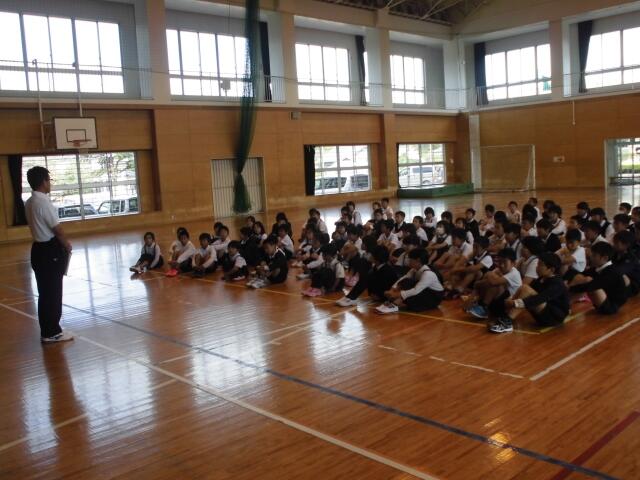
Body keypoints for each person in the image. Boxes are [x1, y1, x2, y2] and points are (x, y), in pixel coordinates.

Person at [24, 166, 73, 343]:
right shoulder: (43, 202)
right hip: (49, 250)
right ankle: (52, 332)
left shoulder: (29, 202)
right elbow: (57, 229)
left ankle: (48, 330)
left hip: (38, 249)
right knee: (53, 292)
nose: (50, 184)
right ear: (44, 182)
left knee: (45, 292)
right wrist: (66, 244)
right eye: (49, 180)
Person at [489, 252, 570, 334]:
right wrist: (511, 300)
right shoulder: (541, 279)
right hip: (543, 313)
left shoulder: (557, 283)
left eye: (540, 265)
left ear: (551, 269)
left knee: (526, 290)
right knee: (524, 288)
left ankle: (507, 322)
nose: (537, 267)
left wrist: (515, 303)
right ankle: (505, 317)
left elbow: (540, 299)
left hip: (555, 317)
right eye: (537, 264)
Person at [376, 249, 444, 314]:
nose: (408, 261)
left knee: (409, 286)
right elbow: (403, 278)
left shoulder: (428, 274)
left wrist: (397, 294)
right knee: (406, 281)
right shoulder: (414, 270)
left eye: (410, 259)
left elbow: (416, 290)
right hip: (425, 292)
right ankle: (393, 303)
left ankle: (395, 304)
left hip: (434, 297)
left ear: (418, 260)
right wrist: (392, 289)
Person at [569, 242, 627, 315]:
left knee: (589, 282)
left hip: (612, 306)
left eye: (594, 255)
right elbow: (580, 275)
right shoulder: (597, 268)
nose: (591, 258)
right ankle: (566, 302)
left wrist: (570, 287)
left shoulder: (612, 272)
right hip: (603, 299)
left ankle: (566, 303)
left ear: (605, 258)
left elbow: (591, 286)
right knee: (580, 277)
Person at [465, 248, 522, 320]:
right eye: (500, 262)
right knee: (485, 282)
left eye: (504, 262)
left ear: (513, 263)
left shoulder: (514, 273)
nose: (501, 265)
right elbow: (484, 279)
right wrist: (474, 292)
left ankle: (483, 307)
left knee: (494, 283)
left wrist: (488, 274)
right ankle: (478, 303)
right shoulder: (499, 269)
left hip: (509, 306)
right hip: (499, 301)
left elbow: (493, 282)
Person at [336, 242, 398, 306]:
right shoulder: (376, 267)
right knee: (364, 278)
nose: (370, 256)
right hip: (375, 294)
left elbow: (387, 287)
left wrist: (379, 295)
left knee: (365, 278)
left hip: (384, 296)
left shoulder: (388, 271)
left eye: (372, 254)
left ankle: (351, 298)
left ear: (377, 257)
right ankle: (350, 297)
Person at [611, 231, 640, 298]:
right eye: (614, 242)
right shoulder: (615, 254)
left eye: (616, 243)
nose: (614, 245)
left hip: (632, 286)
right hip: (619, 283)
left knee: (621, 276)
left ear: (626, 245)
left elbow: (618, 271)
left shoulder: (631, 258)